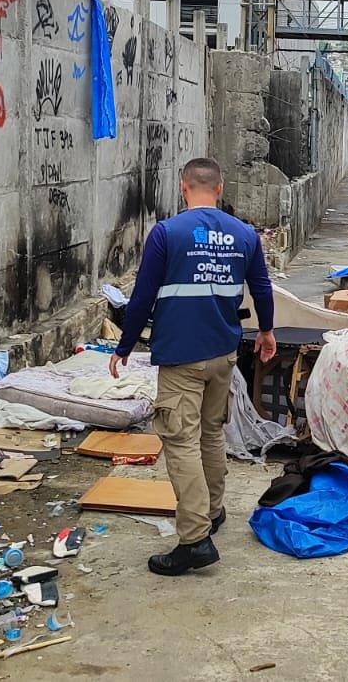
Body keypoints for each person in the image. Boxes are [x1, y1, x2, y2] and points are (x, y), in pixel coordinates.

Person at [110, 158, 276, 576]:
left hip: (182, 356)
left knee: (180, 441)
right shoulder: (245, 234)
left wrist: (124, 345)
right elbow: (260, 287)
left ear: (183, 186)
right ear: (219, 188)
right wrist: (267, 331)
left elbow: (143, 296)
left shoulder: (168, 233)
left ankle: (194, 538)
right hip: (224, 352)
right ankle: (214, 511)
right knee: (210, 433)